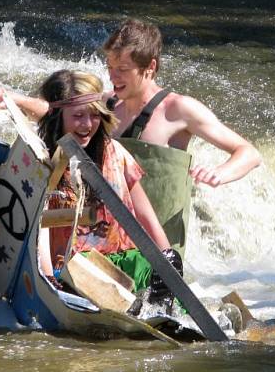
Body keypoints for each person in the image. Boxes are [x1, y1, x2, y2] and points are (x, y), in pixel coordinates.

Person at [0, 18, 260, 262]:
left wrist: (220, 173)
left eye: (122, 70)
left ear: (150, 67)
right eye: (109, 67)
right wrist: (10, 98)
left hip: (158, 248)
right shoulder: (108, 105)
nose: (112, 77)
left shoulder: (179, 109)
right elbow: (58, 113)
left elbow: (248, 152)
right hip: (107, 241)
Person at [34, 70, 177, 294]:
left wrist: (169, 259)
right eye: (78, 116)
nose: (88, 124)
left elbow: (145, 215)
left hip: (125, 265)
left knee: (168, 276)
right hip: (71, 271)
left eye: (95, 115)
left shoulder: (114, 152)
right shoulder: (41, 163)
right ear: (57, 116)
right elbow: (40, 228)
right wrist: (49, 277)